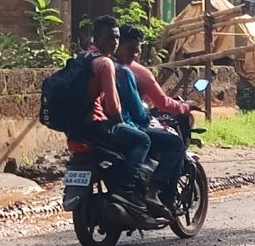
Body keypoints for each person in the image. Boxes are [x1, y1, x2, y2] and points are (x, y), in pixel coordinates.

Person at [82, 16, 164, 216]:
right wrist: (121, 125)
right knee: (143, 140)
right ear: (96, 38)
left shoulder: (82, 58)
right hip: (100, 125)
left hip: (81, 126)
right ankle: (125, 190)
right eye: (109, 38)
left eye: (116, 38)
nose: (114, 42)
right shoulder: (106, 64)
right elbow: (113, 106)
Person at [113, 26, 192, 212]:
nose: (134, 54)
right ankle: (155, 192)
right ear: (117, 44)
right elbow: (157, 104)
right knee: (175, 144)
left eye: (137, 50)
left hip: (96, 127)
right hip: (124, 125)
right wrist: (184, 107)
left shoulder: (96, 63)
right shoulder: (127, 72)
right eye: (130, 49)